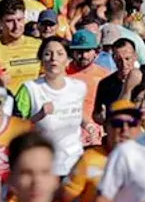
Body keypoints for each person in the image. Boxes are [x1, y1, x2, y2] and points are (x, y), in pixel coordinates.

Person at [16, 36, 90, 177]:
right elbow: (15, 127)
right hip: (44, 168)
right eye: (48, 54)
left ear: (68, 60)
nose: (53, 58)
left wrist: (89, 126)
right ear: (41, 60)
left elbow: (76, 112)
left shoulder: (79, 87)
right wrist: (39, 115)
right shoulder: (30, 89)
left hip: (75, 165)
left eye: (60, 54)